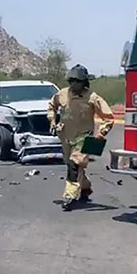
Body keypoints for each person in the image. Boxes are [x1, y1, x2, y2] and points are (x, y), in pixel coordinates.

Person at [47, 65, 115, 211]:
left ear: (84, 82)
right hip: (66, 136)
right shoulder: (63, 94)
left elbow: (108, 118)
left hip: (85, 137)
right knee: (72, 165)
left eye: (77, 81)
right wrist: (52, 120)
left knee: (74, 164)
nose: (74, 84)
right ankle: (85, 188)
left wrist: (101, 133)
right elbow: (52, 106)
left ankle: (69, 195)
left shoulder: (93, 98)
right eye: (71, 81)